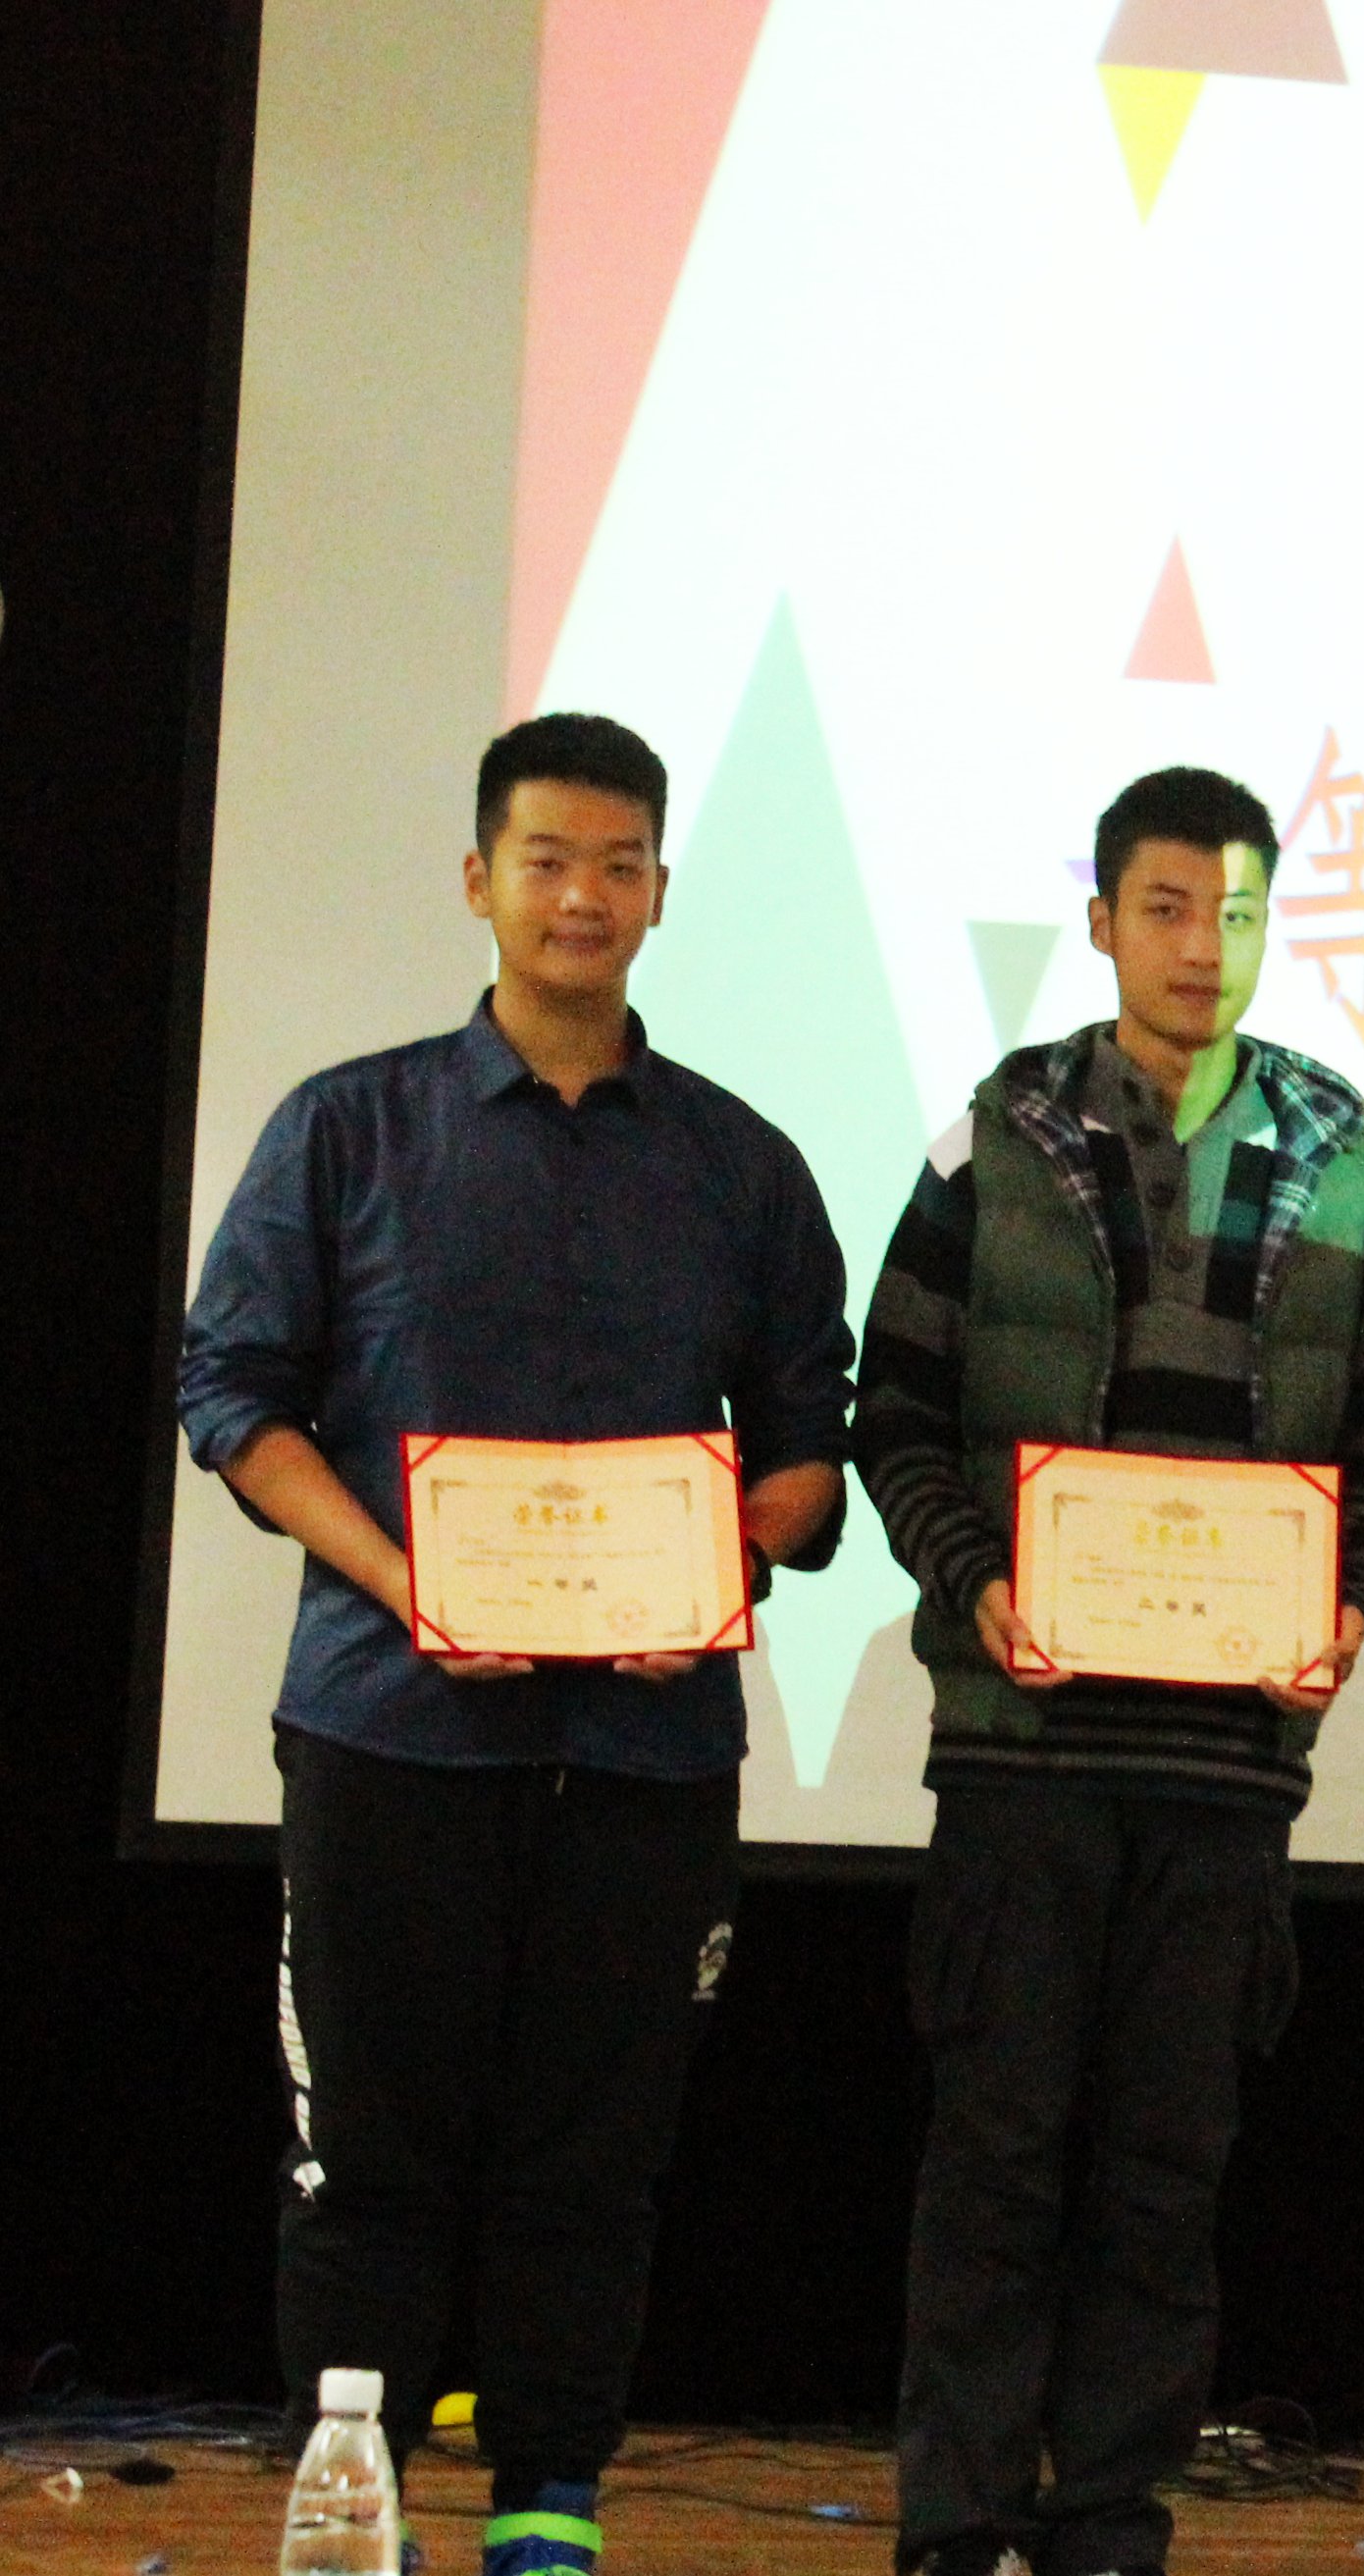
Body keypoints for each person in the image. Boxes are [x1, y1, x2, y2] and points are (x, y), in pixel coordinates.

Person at [178, 713, 855, 2576]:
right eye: (548, 859)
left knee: (594, 2159)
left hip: (647, 1752)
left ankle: (551, 2502)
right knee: (364, 2155)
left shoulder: (742, 1162)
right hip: (391, 1728)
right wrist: (404, 1577)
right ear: (479, 878)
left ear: (661, 892)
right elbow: (233, 1397)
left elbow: (812, 1447)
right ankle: (358, 2499)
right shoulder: (347, 1127)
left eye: (620, 863)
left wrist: (716, 1557)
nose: (583, 896)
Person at [857, 765, 1364, 2576]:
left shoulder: (1341, 1148)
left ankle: (1110, 2519)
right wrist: (976, 1580)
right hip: (1023, 1741)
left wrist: (1345, 1606)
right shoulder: (995, 1137)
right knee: (996, 2157)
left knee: (1168, 2174)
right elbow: (896, 1410)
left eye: (1237, 912)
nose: (1204, 945)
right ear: (1101, 921)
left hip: (1225, 1762)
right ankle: (960, 2520)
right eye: (1168, 907)